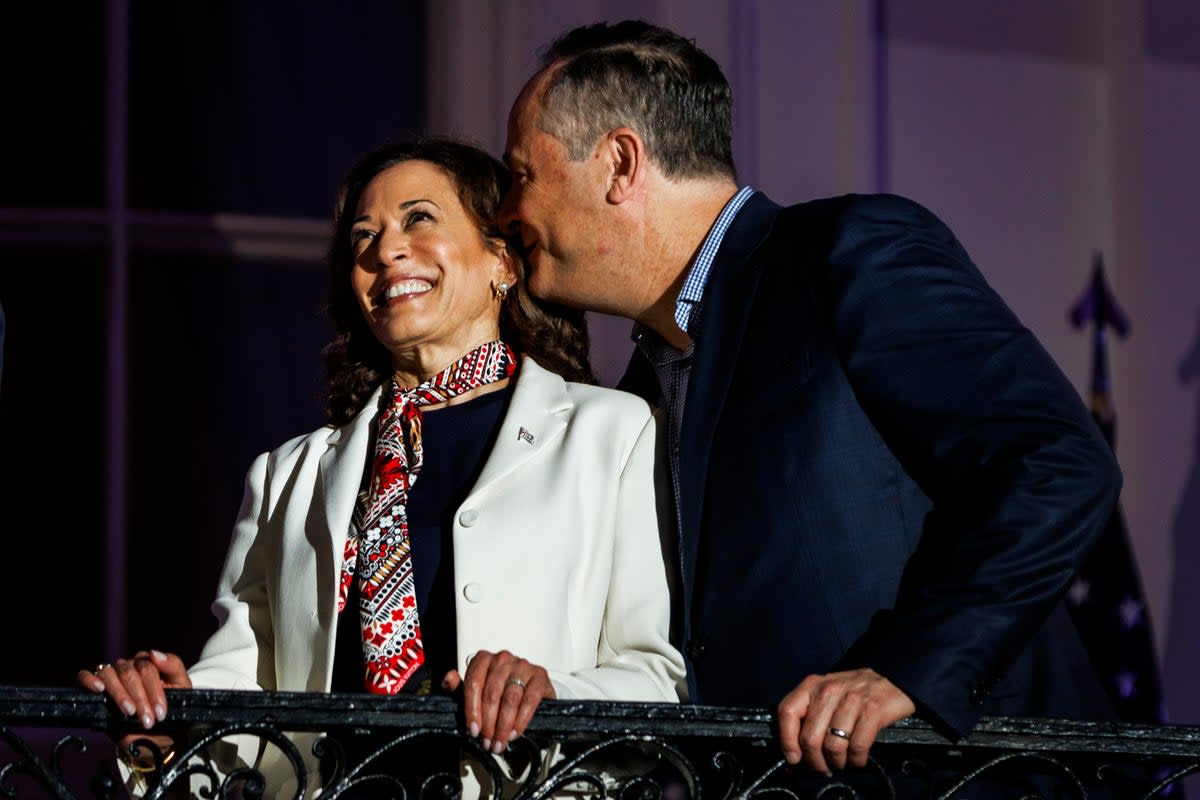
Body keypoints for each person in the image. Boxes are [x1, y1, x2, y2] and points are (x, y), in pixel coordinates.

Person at [499, 18, 1123, 783]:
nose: (507, 210)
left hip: (975, 780)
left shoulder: (849, 253)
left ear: (619, 162)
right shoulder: (636, 398)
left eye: (521, 174)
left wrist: (909, 670)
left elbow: (1056, 460)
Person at [78, 136, 685, 797]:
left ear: (502, 258)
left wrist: (551, 698)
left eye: (418, 219)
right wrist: (174, 723)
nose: (384, 250)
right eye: (363, 236)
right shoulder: (287, 476)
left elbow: (657, 678)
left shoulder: (615, 434)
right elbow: (249, 693)